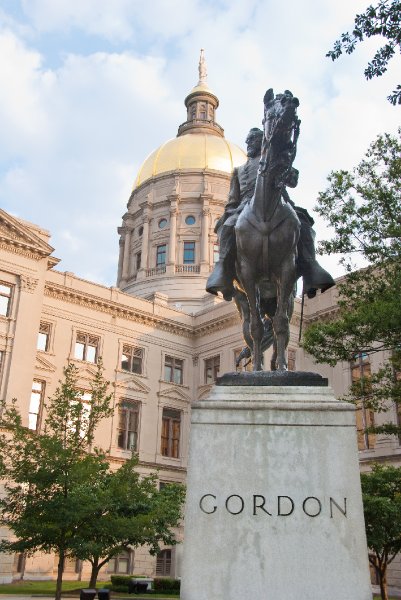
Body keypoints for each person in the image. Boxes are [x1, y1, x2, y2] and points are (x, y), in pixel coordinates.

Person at [206, 127, 335, 301]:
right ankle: (222, 268)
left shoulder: (276, 160)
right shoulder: (238, 170)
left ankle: (311, 265)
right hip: (244, 207)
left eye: (252, 140)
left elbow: (293, 181)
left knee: (303, 223)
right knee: (227, 226)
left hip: (279, 202)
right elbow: (232, 201)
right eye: (248, 140)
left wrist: (285, 164)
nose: (248, 143)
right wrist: (228, 216)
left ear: (262, 141)